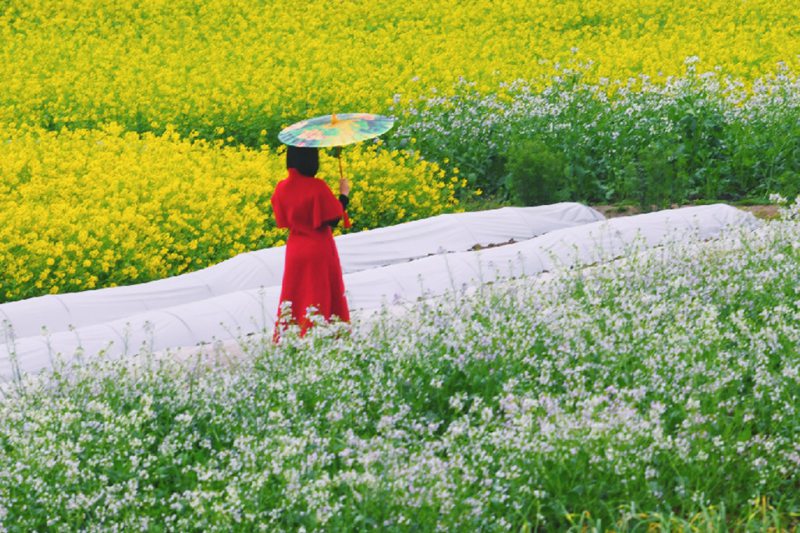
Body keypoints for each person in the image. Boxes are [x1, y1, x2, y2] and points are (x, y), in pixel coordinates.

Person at [271, 145, 350, 338]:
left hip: (295, 249)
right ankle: (321, 335)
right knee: (319, 293)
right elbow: (333, 219)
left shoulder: (281, 187)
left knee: (294, 293)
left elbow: (281, 218)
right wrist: (344, 195)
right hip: (318, 248)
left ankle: (291, 335)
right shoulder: (317, 186)